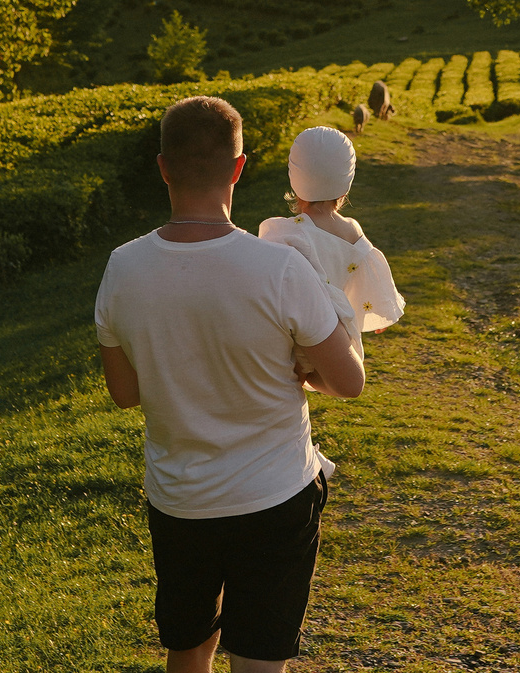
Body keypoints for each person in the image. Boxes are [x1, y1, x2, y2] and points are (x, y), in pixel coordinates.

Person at [96, 96, 366, 673]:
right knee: (258, 658)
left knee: (188, 647)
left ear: (163, 166)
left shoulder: (122, 266)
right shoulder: (279, 269)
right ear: (239, 168)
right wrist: (310, 371)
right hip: (275, 497)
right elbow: (349, 382)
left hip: (180, 502)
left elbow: (125, 393)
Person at [258, 126, 404, 382]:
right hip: (331, 343)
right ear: (345, 182)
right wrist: (378, 309)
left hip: (285, 342)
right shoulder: (352, 231)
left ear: (295, 177)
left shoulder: (283, 232)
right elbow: (368, 281)